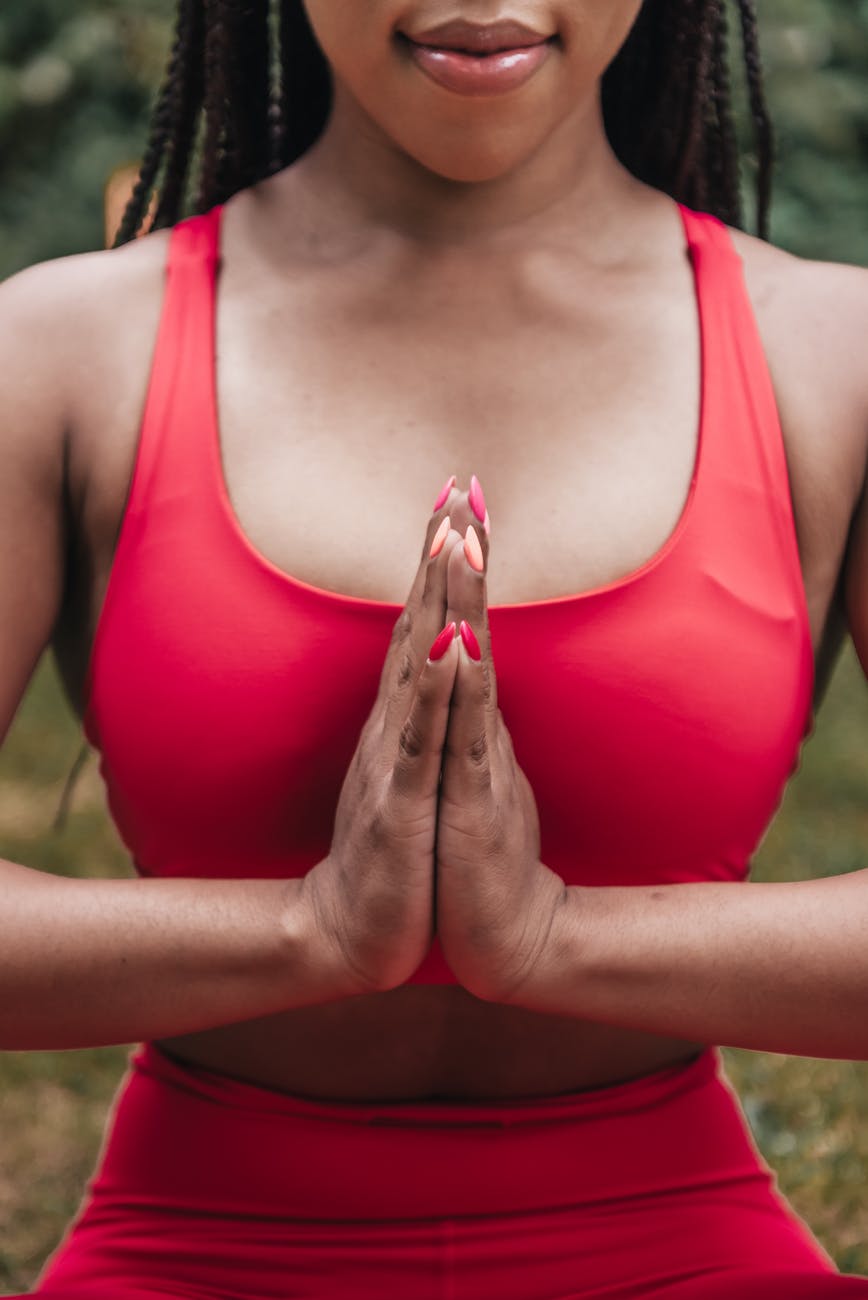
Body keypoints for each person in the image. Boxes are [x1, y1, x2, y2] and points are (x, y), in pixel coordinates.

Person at [2, 0, 868, 1296]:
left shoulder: (832, 356)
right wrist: (308, 932)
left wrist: (551, 940)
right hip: (193, 1248)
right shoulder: (62, 352)